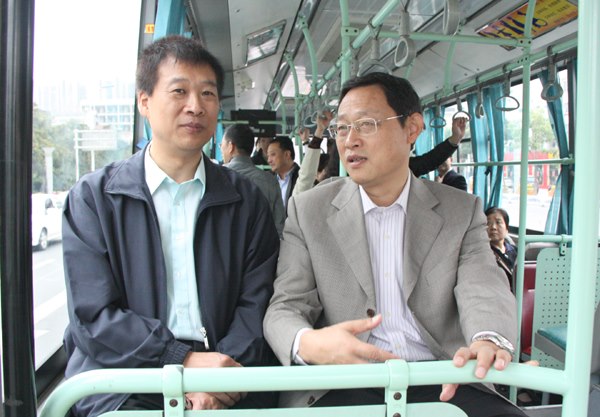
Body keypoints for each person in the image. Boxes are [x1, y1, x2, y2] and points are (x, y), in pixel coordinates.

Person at [263, 72, 523, 417]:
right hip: (345, 381)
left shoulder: (460, 211)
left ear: (411, 129)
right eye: (342, 128)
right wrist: (309, 343)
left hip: (442, 377)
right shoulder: (309, 211)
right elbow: (285, 306)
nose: (350, 141)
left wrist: (487, 338)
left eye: (365, 124)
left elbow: (484, 286)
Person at [62, 35, 279, 417]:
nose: (195, 106)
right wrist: (181, 360)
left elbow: (256, 302)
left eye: (208, 94)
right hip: (126, 377)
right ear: (144, 101)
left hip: (228, 370)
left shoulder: (245, 201)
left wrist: (222, 375)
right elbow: (92, 316)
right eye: (179, 91)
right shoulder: (95, 199)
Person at [221, 124, 285, 237]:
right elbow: (279, 226)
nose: (221, 149)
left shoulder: (217, 178)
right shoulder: (270, 181)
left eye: (222, 145)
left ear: (230, 147)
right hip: (263, 246)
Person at [485, 206, 517, 287]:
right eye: (488, 223)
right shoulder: (483, 253)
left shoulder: (516, 251)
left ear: (507, 228)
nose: (493, 227)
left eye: (498, 222)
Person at [267, 135, 300, 208]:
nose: (269, 160)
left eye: (273, 154)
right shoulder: (266, 178)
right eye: (268, 156)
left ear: (287, 154)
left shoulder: (301, 177)